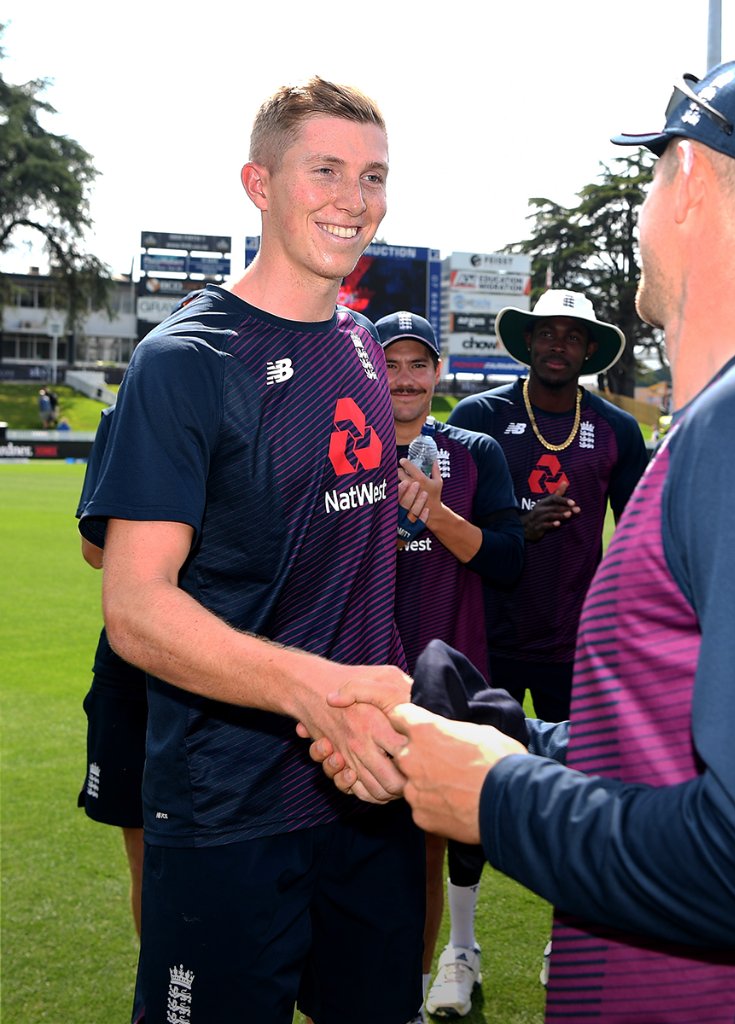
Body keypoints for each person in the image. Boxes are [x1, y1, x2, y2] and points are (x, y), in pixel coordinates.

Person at [327, 58, 735, 1021]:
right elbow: (713, 754)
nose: (641, 210)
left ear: (693, 183)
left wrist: (500, 799)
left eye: (653, 170)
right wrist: (521, 740)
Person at [77, 77, 423, 1024]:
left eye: (374, 176)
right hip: (231, 807)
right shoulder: (188, 362)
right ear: (258, 184)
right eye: (326, 170)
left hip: (366, 791)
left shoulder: (359, 343)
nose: (355, 200)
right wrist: (315, 693)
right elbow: (137, 606)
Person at [376, 310, 524, 1021]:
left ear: (438, 372)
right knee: (363, 851)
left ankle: (442, 967)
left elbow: (507, 560)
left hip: (445, 669)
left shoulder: (474, 453)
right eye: (391, 362)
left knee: (435, 841)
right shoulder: (340, 443)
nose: (404, 379)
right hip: (362, 676)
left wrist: (434, 514)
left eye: (417, 364)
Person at [447, 288, 648, 723]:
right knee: (478, 767)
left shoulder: (619, 429)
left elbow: (637, 541)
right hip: (484, 632)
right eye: (547, 333)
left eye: (573, 337)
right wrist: (518, 529)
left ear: (590, 349)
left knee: (572, 771)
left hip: (574, 640)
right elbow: (446, 525)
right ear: (529, 342)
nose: (558, 345)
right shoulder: (479, 416)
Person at [77, 406, 148, 942]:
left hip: (231, 659)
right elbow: (94, 551)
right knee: (144, 847)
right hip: (134, 658)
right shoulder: (122, 417)